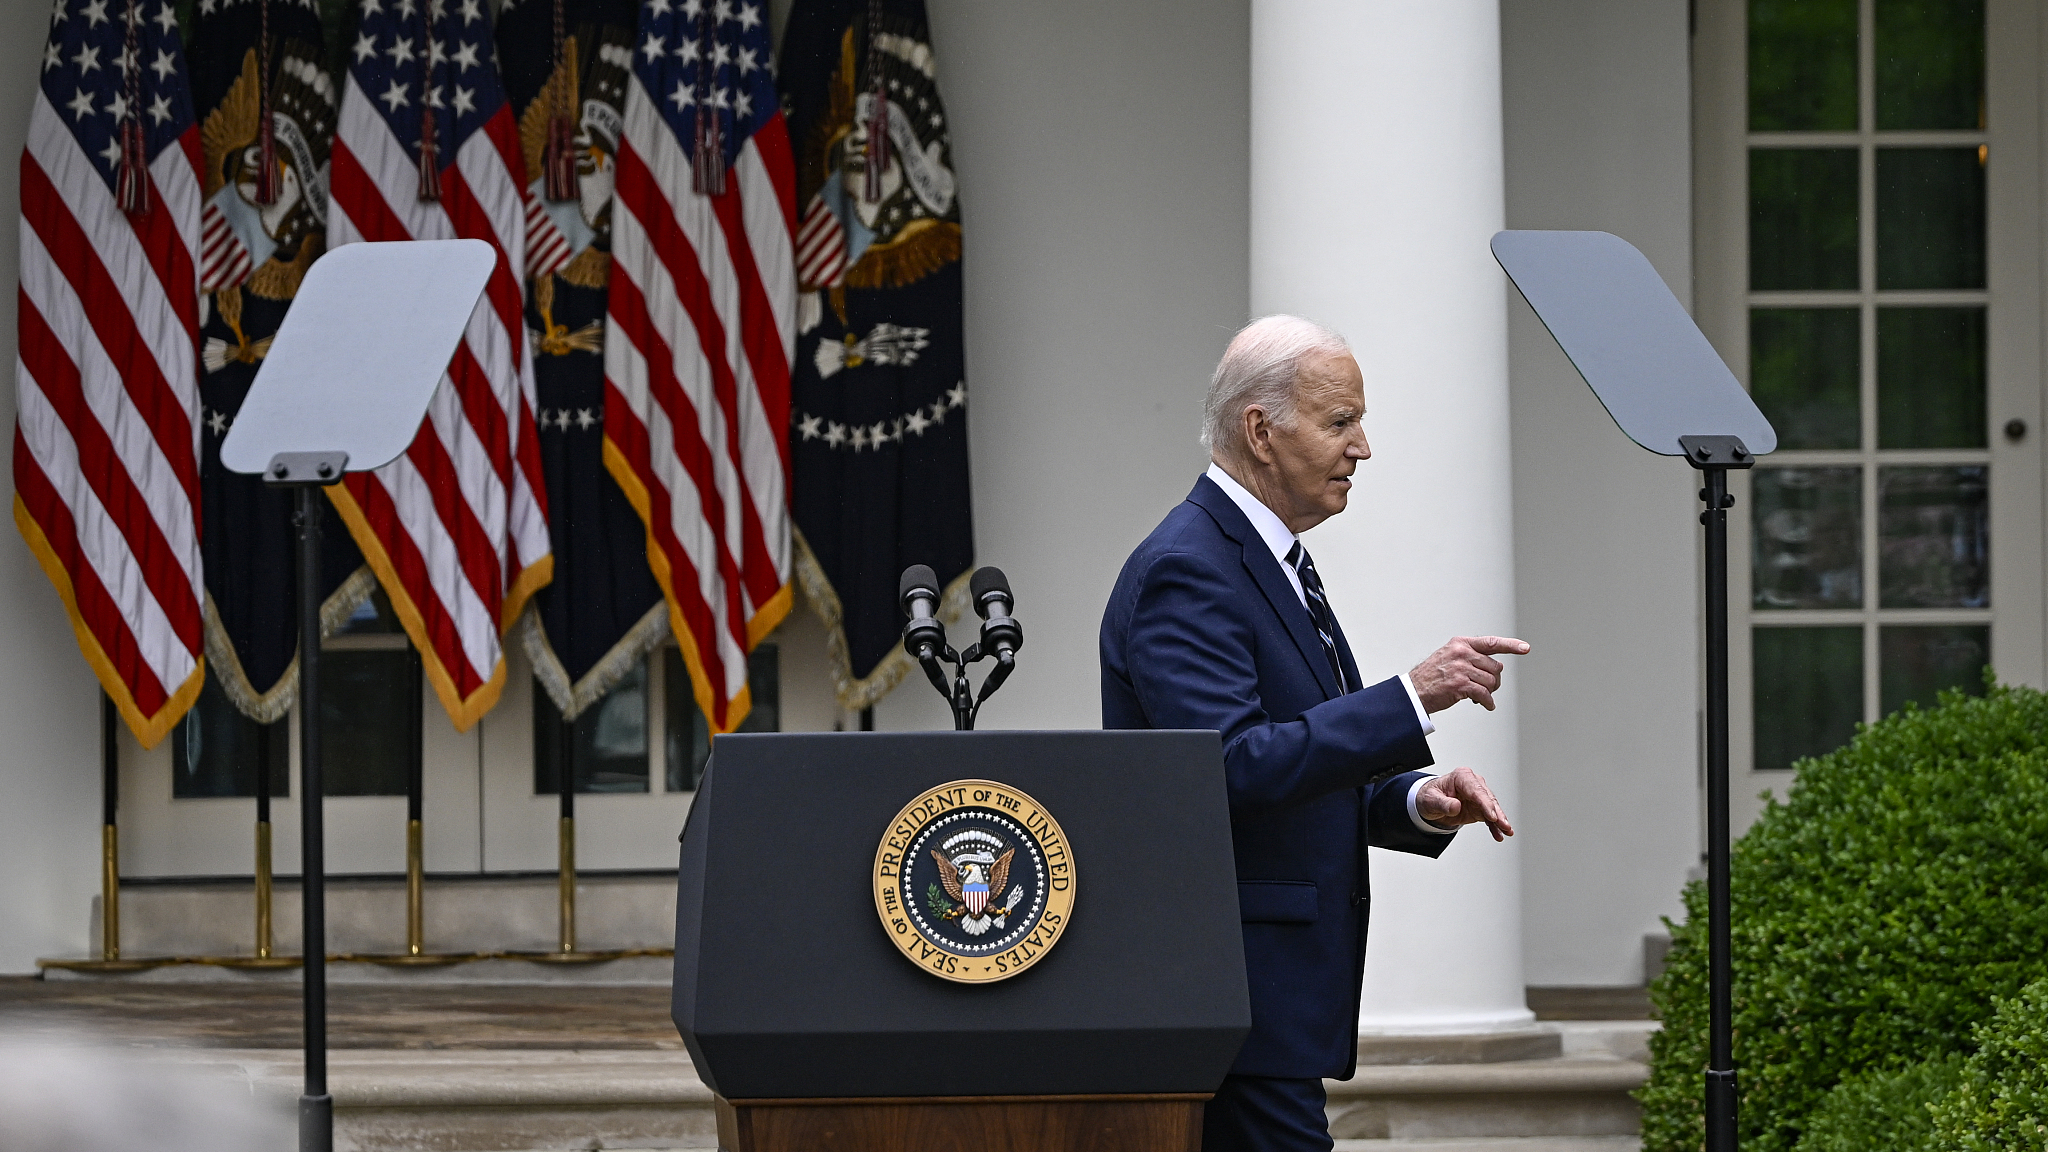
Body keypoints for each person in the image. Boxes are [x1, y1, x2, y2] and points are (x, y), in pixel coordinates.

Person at [1100, 315, 1527, 1152]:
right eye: (1340, 422)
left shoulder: (1270, 556)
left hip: (1273, 1008)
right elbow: (1227, 767)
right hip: (1231, 1000)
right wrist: (1412, 696)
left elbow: (1296, 755)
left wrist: (1413, 798)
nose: (1362, 447)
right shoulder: (1189, 568)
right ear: (1261, 431)